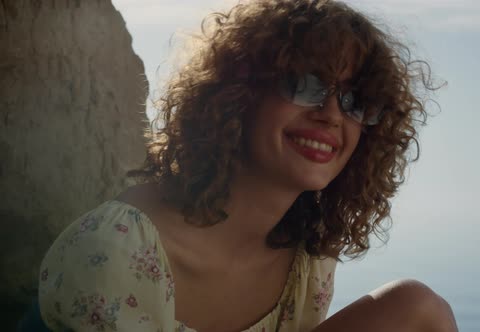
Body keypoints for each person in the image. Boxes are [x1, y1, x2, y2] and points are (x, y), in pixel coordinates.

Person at [37, 0, 457, 331]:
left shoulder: (306, 259)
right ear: (238, 93)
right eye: (306, 84)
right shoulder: (118, 251)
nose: (331, 114)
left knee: (415, 308)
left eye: (357, 101)